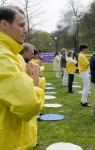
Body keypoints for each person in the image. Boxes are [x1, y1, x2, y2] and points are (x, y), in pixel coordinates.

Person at [0, 6, 45, 150]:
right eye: (21, 25)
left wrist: (33, 85)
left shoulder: (14, 56)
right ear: (4, 24)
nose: (25, 30)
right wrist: (35, 87)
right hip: (9, 143)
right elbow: (29, 105)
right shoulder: (3, 57)